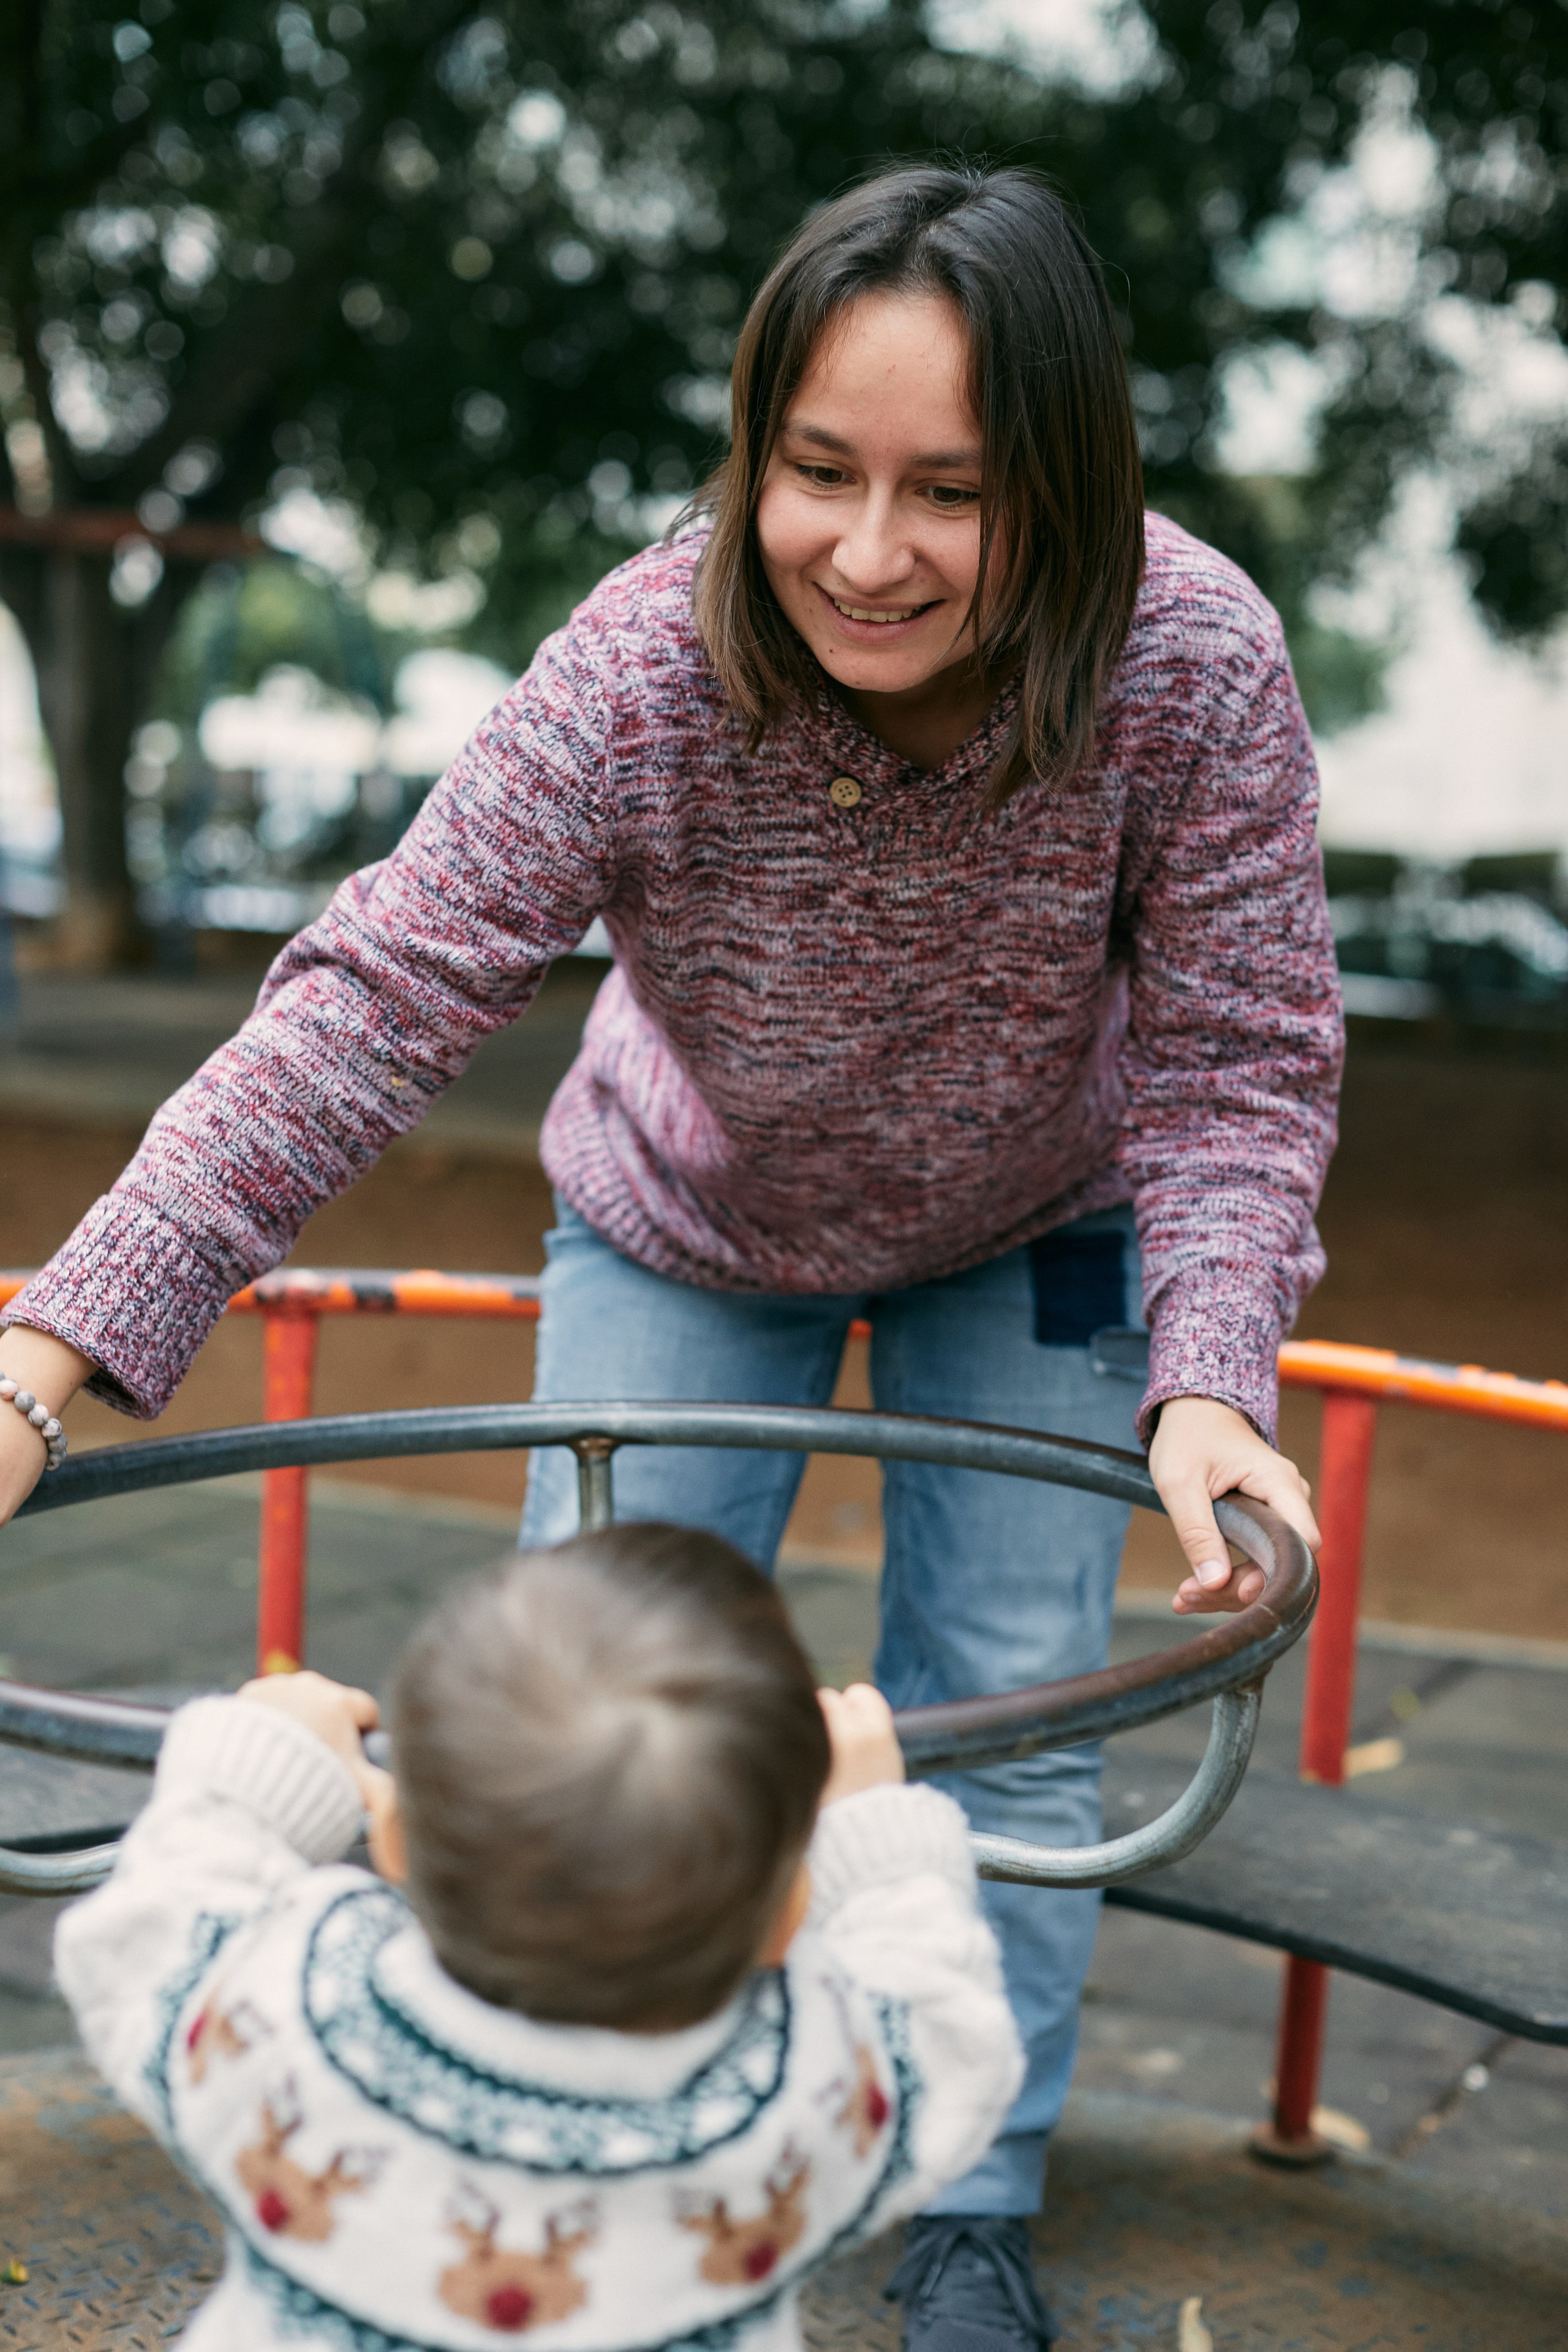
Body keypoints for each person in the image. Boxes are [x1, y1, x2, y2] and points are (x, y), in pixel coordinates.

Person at [1, 162, 1339, 2350]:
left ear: (1076, 496)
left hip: (1049, 1226)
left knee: (1005, 1705)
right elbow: (373, 998)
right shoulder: (651, 658)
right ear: (754, 452)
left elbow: (1245, 1053)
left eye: (956, 495)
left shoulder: (1188, 668)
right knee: (578, 1699)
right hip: (689, 1210)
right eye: (818, 473)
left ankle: (965, 2197)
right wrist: (52, 1350)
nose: (872, 553)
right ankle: (523, 2132)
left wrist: (1209, 1366)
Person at [55, 1523, 1025, 2352]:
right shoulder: (806, 2088)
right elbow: (947, 2033)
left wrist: (265, 1758)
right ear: (787, 1917)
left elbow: (152, 1923)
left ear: (390, 1841)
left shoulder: (283, 2013)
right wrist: (875, 1833)